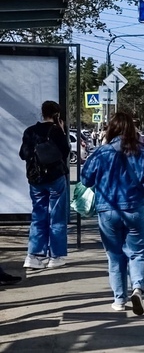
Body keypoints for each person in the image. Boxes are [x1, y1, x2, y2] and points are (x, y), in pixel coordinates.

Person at [81, 112, 144, 315]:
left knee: (114, 255)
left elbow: (86, 179)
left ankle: (119, 300)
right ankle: (137, 289)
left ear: (110, 129)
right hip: (137, 209)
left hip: (108, 209)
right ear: (133, 129)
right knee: (138, 252)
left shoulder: (101, 153)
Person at [18, 100, 71, 269]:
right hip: (55, 178)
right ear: (57, 115)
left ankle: (33, 255)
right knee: (57, 216)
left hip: (36, 179)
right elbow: (65, 152)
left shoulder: (30, 131)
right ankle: (56, 256)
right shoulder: (56, 131)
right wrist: (62, 132)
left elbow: (23, 154)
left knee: (38, 215)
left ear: (42, 113)